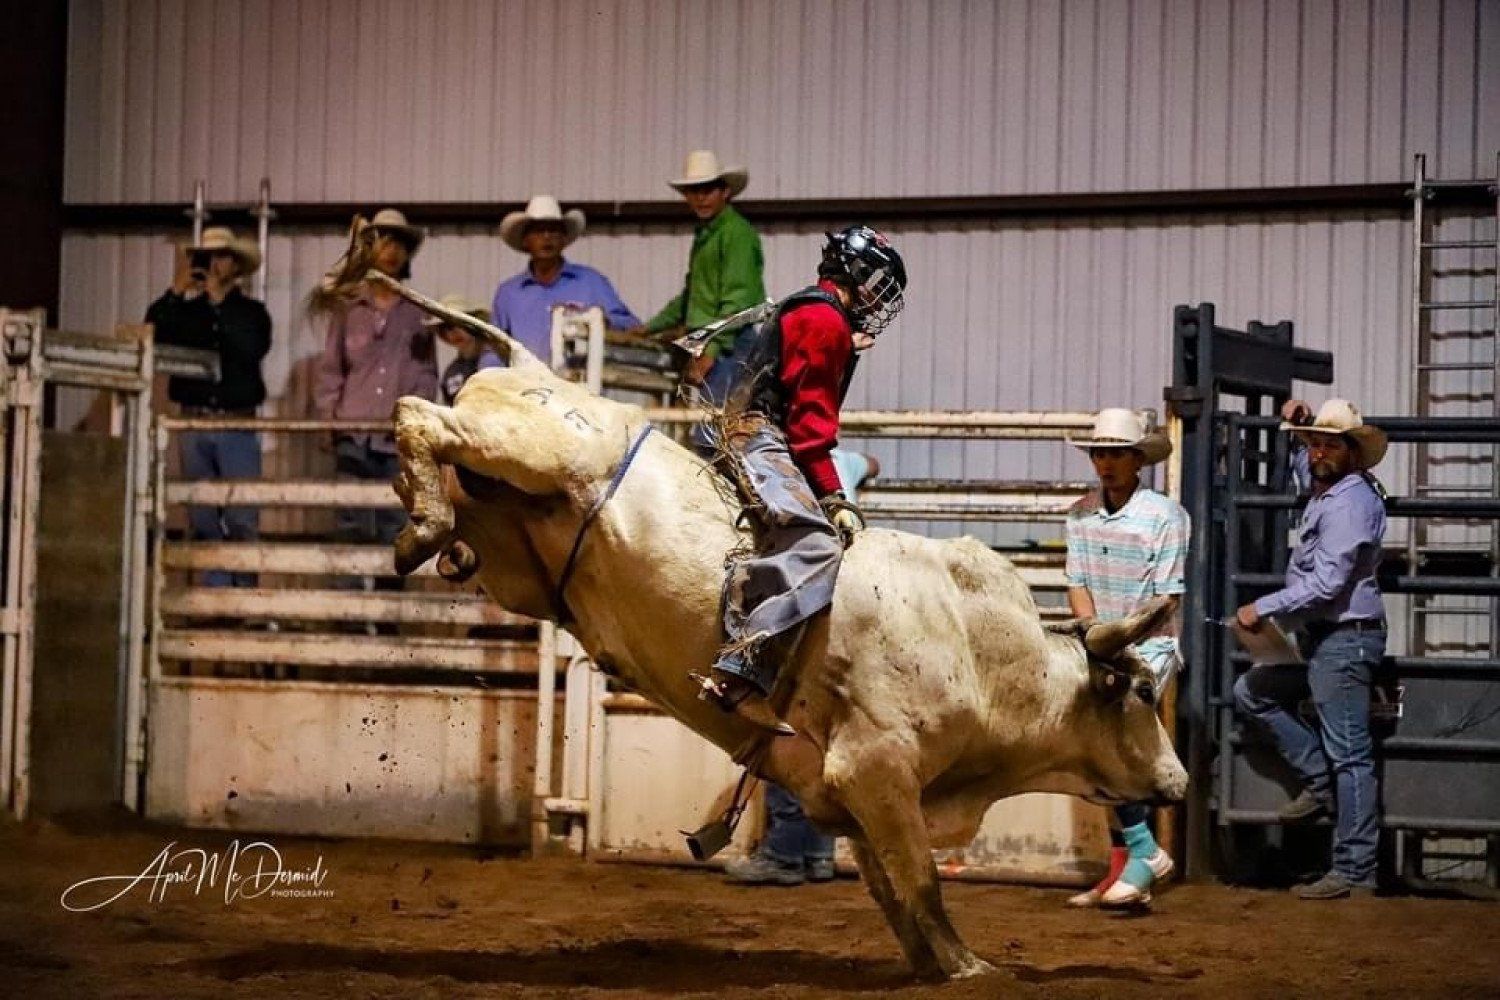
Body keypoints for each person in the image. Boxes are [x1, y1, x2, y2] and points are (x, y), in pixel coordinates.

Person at [695, 226, 906, 734]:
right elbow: (810, 432)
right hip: (761, 439)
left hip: (755, 431)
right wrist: (835, 496)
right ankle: (741, 666)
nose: (879, 297)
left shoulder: (813, 312)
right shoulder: (823, 321)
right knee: (819, 547)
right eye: (876, 282)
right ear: (854, 274)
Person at [1233, 398, 1389, 900]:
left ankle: (1355, 868)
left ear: (1351, 451)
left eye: (1329, 443)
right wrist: (1301, 427)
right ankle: (1321, 785)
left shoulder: (1346, 503)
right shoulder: (1334, 487)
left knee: (1351, 755)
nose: (1318, 451)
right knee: (1253, 691)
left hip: (1344, 637)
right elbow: (1312, 464)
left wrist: (1266, 605)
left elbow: (1327, 583)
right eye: (1314, 442)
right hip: (1329, 638)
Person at [723, 448, 881, 886]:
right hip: (848, 593)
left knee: (787, 715)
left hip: (805, 592)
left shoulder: (780, 466)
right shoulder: (839, 461)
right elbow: (873, 462)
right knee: (822, 724)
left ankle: (787, 853)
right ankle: (817, 853)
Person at [1061, 408, 1189, 909]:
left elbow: (1167, 597)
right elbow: (1078, 582)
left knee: (1110, 736)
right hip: (1102, 644)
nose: (1106, 462)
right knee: (1089, 744)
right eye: (1100, 452)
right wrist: (1094, 631)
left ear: (1138, 460)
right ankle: (1124, 865)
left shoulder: (1166, 516)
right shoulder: (1080, 513)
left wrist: (1120, 638)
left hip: (1150, 646)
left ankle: (1142, 851)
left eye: (1116, 453)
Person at [146, 227, 271, 588]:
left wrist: (217, 299)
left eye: (220, 256)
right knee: (202, 516)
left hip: (237, 425)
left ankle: (244, 599)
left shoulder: (251, 313)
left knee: (242, 516)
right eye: (206, 257)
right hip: (194, 421)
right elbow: (151, 331)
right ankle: (215, 598)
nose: (213, 264)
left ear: (235, 264)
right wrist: (176, 290)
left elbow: (252, 349)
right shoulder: (184, 312)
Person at [314, 208, 437, 548]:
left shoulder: (418, 313)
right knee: (349, 520)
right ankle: (347, 598)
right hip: (353, 431)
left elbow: (426, 373)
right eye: (384, 242)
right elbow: (332, 367)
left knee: (395, 522)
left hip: (396, 436)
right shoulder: (348, 307)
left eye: (400, 244)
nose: (392, 251)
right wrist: (328, 421)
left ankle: (388, 598)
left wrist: (416, 425)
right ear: (370, 249)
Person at [629, 150, 765, 450]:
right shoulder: (710, 234)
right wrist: (650, 327)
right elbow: (692, 296)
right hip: (717, 341)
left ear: (724, 191)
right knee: (711, 427)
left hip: (728, 343)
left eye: (707, 190)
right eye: (694, 191)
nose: (701, 198)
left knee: (712, 433)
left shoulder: (734, 233)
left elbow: (738, 300)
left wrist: (711, 350)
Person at [481, 195, 638, 368]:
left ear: (563, 239)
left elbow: (629, 325)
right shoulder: (508, 293)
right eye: (539, 231)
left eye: (554, 230)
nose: (547, 237)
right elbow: (493, 350)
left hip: (580, 385)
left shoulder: (591, 282)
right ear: (526, 240)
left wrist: (603, 323)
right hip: (526, 387)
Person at [426, 294, 490, 405]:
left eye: (459, 324)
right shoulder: (451, 373)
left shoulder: (494, 361)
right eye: (446, 327)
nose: (453, 332)